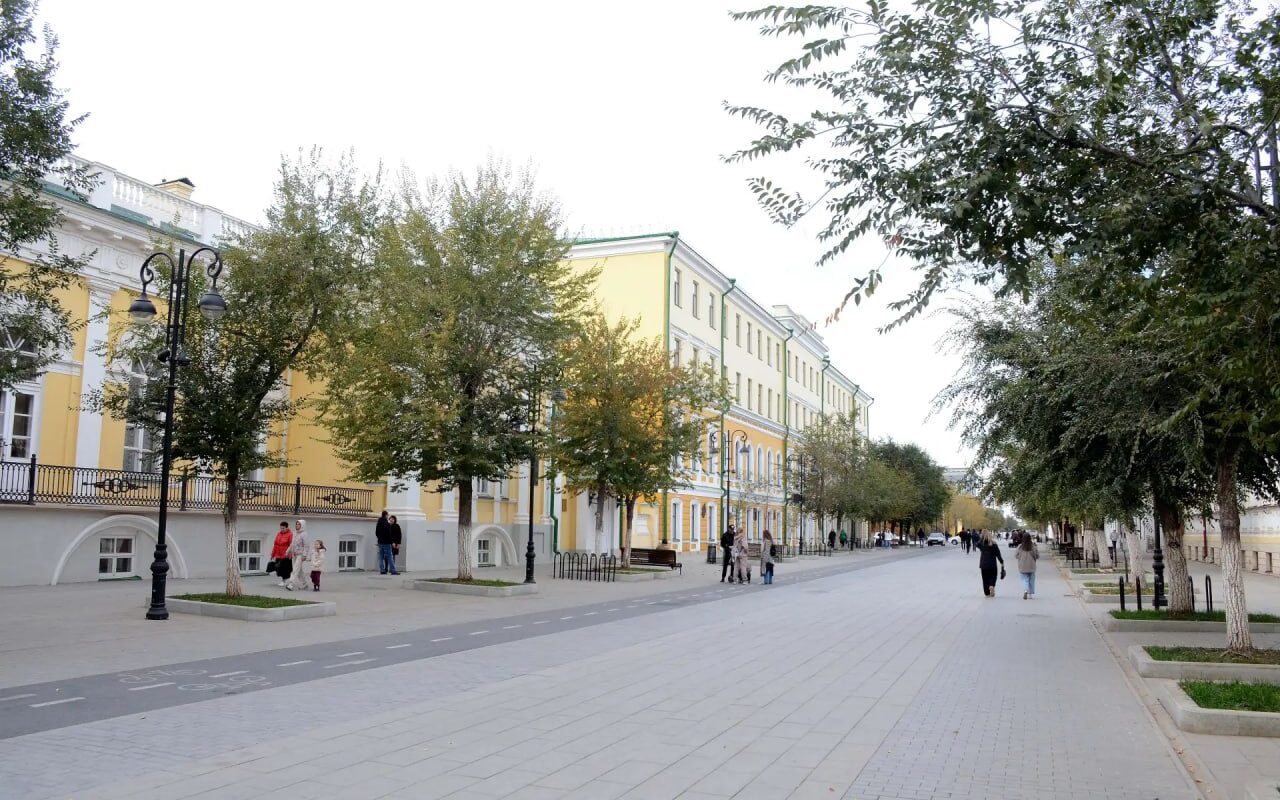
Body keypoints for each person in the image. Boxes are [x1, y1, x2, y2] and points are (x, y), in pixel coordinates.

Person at [977, 530, 1005, 597]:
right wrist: (1002, 562)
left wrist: (982, 538)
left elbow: (977, 544)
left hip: (983, 564)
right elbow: (998, 554)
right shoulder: (994, 544)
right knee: (993, 576)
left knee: (985, 579)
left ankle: (987, 593)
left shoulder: (981, 544)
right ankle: (991, 585)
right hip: (992, 564)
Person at [285, 519, 310, 591]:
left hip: (301, 555)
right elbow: (292, 543)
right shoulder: (295, 533)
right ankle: (304, 584)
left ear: (302, 525)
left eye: (298, 524)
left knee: (295, 569)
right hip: (295, 554)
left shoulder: (304, 534)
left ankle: (290, 584)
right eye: (296, 524)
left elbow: (306, 545)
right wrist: (287, 551)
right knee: (299, 571)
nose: (297, 525)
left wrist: (304, 555)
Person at [375, 510, 399, 575]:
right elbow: (389, 534)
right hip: (387, 543)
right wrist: (392, 542)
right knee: (390, 557)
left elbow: (376, 533)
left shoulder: (378, 523)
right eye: (387, 515)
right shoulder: (387, 524)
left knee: (381, 557)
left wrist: (380, 538)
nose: (388, 516)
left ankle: (382, 570)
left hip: (380, 542)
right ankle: (393, 571)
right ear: (386, 515)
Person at [270, 521, 293, 587]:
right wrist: (272, 554)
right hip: (278, 553)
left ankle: (284, 581)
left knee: (285, 568)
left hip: (286, 554)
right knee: (279, 568)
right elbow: (275, 544)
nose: (282, 529)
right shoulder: (279, 534)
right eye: (281, 528)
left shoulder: (290, 534)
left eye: (283, 528)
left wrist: (290, 554)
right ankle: (285, 580)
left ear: (287, 528)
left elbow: (291, 545)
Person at [1015, 532, 1038, 599]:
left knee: (1025, 579)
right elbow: (1037, 555)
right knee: (1031, 580)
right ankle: (1030, 594)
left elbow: (1016, 555)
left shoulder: (1020, 546)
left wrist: (1020, 558)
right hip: (1031, 565)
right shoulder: (1033, 546)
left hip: (1022, 565)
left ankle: (1025, 590)